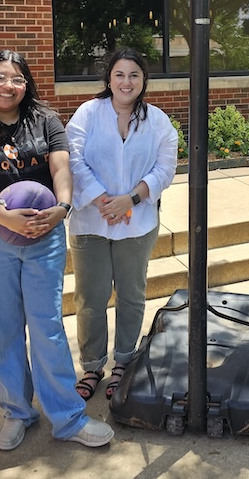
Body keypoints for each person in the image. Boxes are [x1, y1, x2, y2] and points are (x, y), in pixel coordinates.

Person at [0, 50, 115, 450]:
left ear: (27, 85)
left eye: (17, 79)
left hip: (44, 234)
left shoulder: (46, 119)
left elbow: (61, 168)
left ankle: (68, 418)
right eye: (0, 77)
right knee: (1, 329)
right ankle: (16, 411)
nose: (9, 86)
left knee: (47, 327)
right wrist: (0, 215)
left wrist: (63, 208)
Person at [66, 48, 178, 401]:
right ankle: (93, 366)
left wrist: (128, 200)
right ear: (109, 79)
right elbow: (72, 157)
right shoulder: (87, 113)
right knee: (90, 298)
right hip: (90, 223)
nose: (126, 82)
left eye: (134, 75)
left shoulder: (157, 121)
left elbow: (165, 168)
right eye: (119, 74)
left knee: (131, 295)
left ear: (144, 80)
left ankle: (124, 363)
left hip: (138, 223)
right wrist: (103, 199)